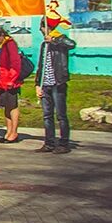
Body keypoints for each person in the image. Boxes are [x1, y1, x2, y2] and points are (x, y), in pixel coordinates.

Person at [36, 18, 77, 153]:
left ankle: (64, 143)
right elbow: (41, 65)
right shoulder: (44, 44)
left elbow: (71, 44)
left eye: (42, 27)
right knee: (47, 115)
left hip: (58, 82)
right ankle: (49, 142)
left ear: (46, 27)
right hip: (45, 83)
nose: (40, 31)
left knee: (61, 114)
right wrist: (38, 84)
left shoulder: (60, 39)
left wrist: (54, 40)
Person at [0, 26, 24, 144]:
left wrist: (12, 78)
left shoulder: (10, 44)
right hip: (2, 81)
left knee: (12, 106)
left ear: (1, 35)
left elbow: (15, 63)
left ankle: (14, 132)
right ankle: (8, 131)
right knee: (5, 107)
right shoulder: (0, 46)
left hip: (11, 82)